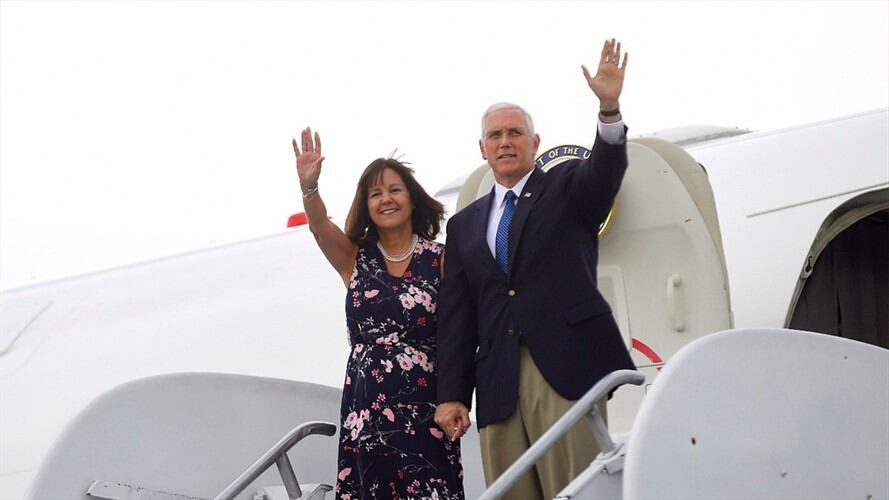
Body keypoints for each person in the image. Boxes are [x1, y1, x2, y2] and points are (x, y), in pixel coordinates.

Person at [434, 39, 637, 500]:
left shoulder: (567, 187)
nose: (505, 142)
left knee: (580, 487)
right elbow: (457, 316)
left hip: (564, 366)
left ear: (535, 142)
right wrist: (452, 393)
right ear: (482, 148)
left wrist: (609, 109)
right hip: (498, 382)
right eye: (495, 136)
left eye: (515, 133)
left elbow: (605, 172)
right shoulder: (465, 223)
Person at [292, 130, 464, 499]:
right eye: (375, 193)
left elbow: (458, 331)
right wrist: (310, 188)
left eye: (394, 190)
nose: (386, 199)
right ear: (367, 205)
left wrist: (458, 396)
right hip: (367, 409)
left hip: (426, 407)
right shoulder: (354, 259)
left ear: (412, 200)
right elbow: (320, 227)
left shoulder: (441, 258)